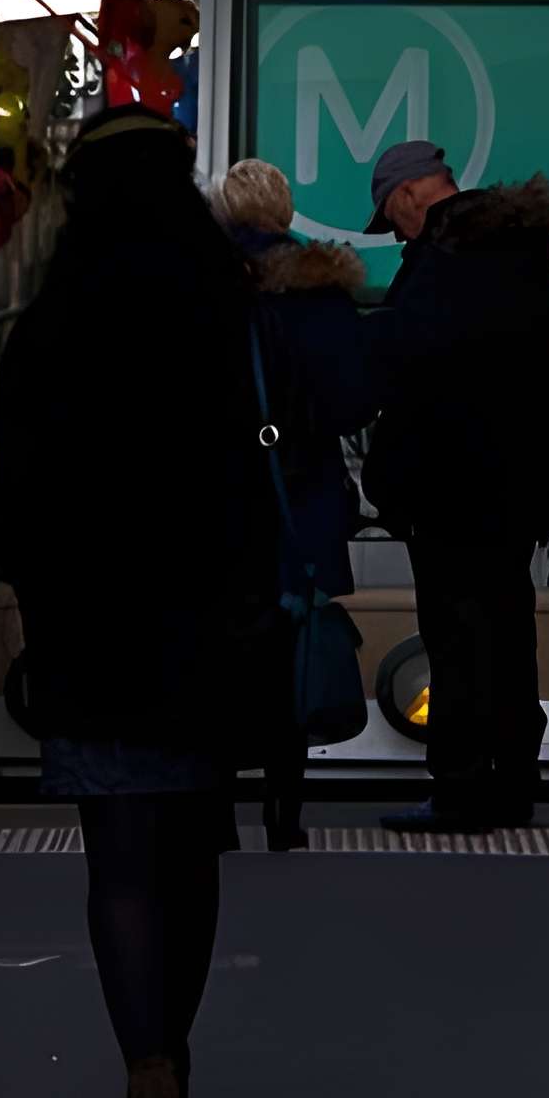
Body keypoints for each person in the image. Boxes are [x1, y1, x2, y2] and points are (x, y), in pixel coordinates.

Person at [0, 109, 279, 1098]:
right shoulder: (222, 307)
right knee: (192, 850)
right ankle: (180, 1052)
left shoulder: (51, 322)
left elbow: (11, 494)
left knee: (116, 861)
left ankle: (142, 1067)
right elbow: (269, 453)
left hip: (89, 626)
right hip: (205, 628)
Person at [363, 140, 549, 835]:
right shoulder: (516, 251)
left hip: (448, 486)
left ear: (408, 195)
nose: (395, 234)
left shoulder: (446, 260)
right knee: (509, 634)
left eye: (392, 219)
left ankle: (458, 790)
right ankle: (512, 783)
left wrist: (388, 472)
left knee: (454, 639)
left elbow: (413, 366)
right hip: (512, 484)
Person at [211, 156, 373, 850]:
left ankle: (216, 811)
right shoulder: (322, 289)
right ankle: (285, 812)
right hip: (299, 489)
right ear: (285, 212)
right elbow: (354, 400)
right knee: (292, 643)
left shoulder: (201, 286)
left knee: (216, 647)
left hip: (218, 494)